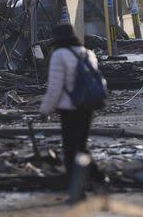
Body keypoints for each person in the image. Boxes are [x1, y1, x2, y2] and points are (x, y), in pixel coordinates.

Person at [39, 24, 105, 184]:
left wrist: (45, 110)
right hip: (88, 105)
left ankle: (77, 185)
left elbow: (55, 87)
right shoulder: (87, 53)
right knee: (81, 145)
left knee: (70, 149)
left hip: (69, 108)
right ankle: (98, 180)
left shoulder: (59, 54)